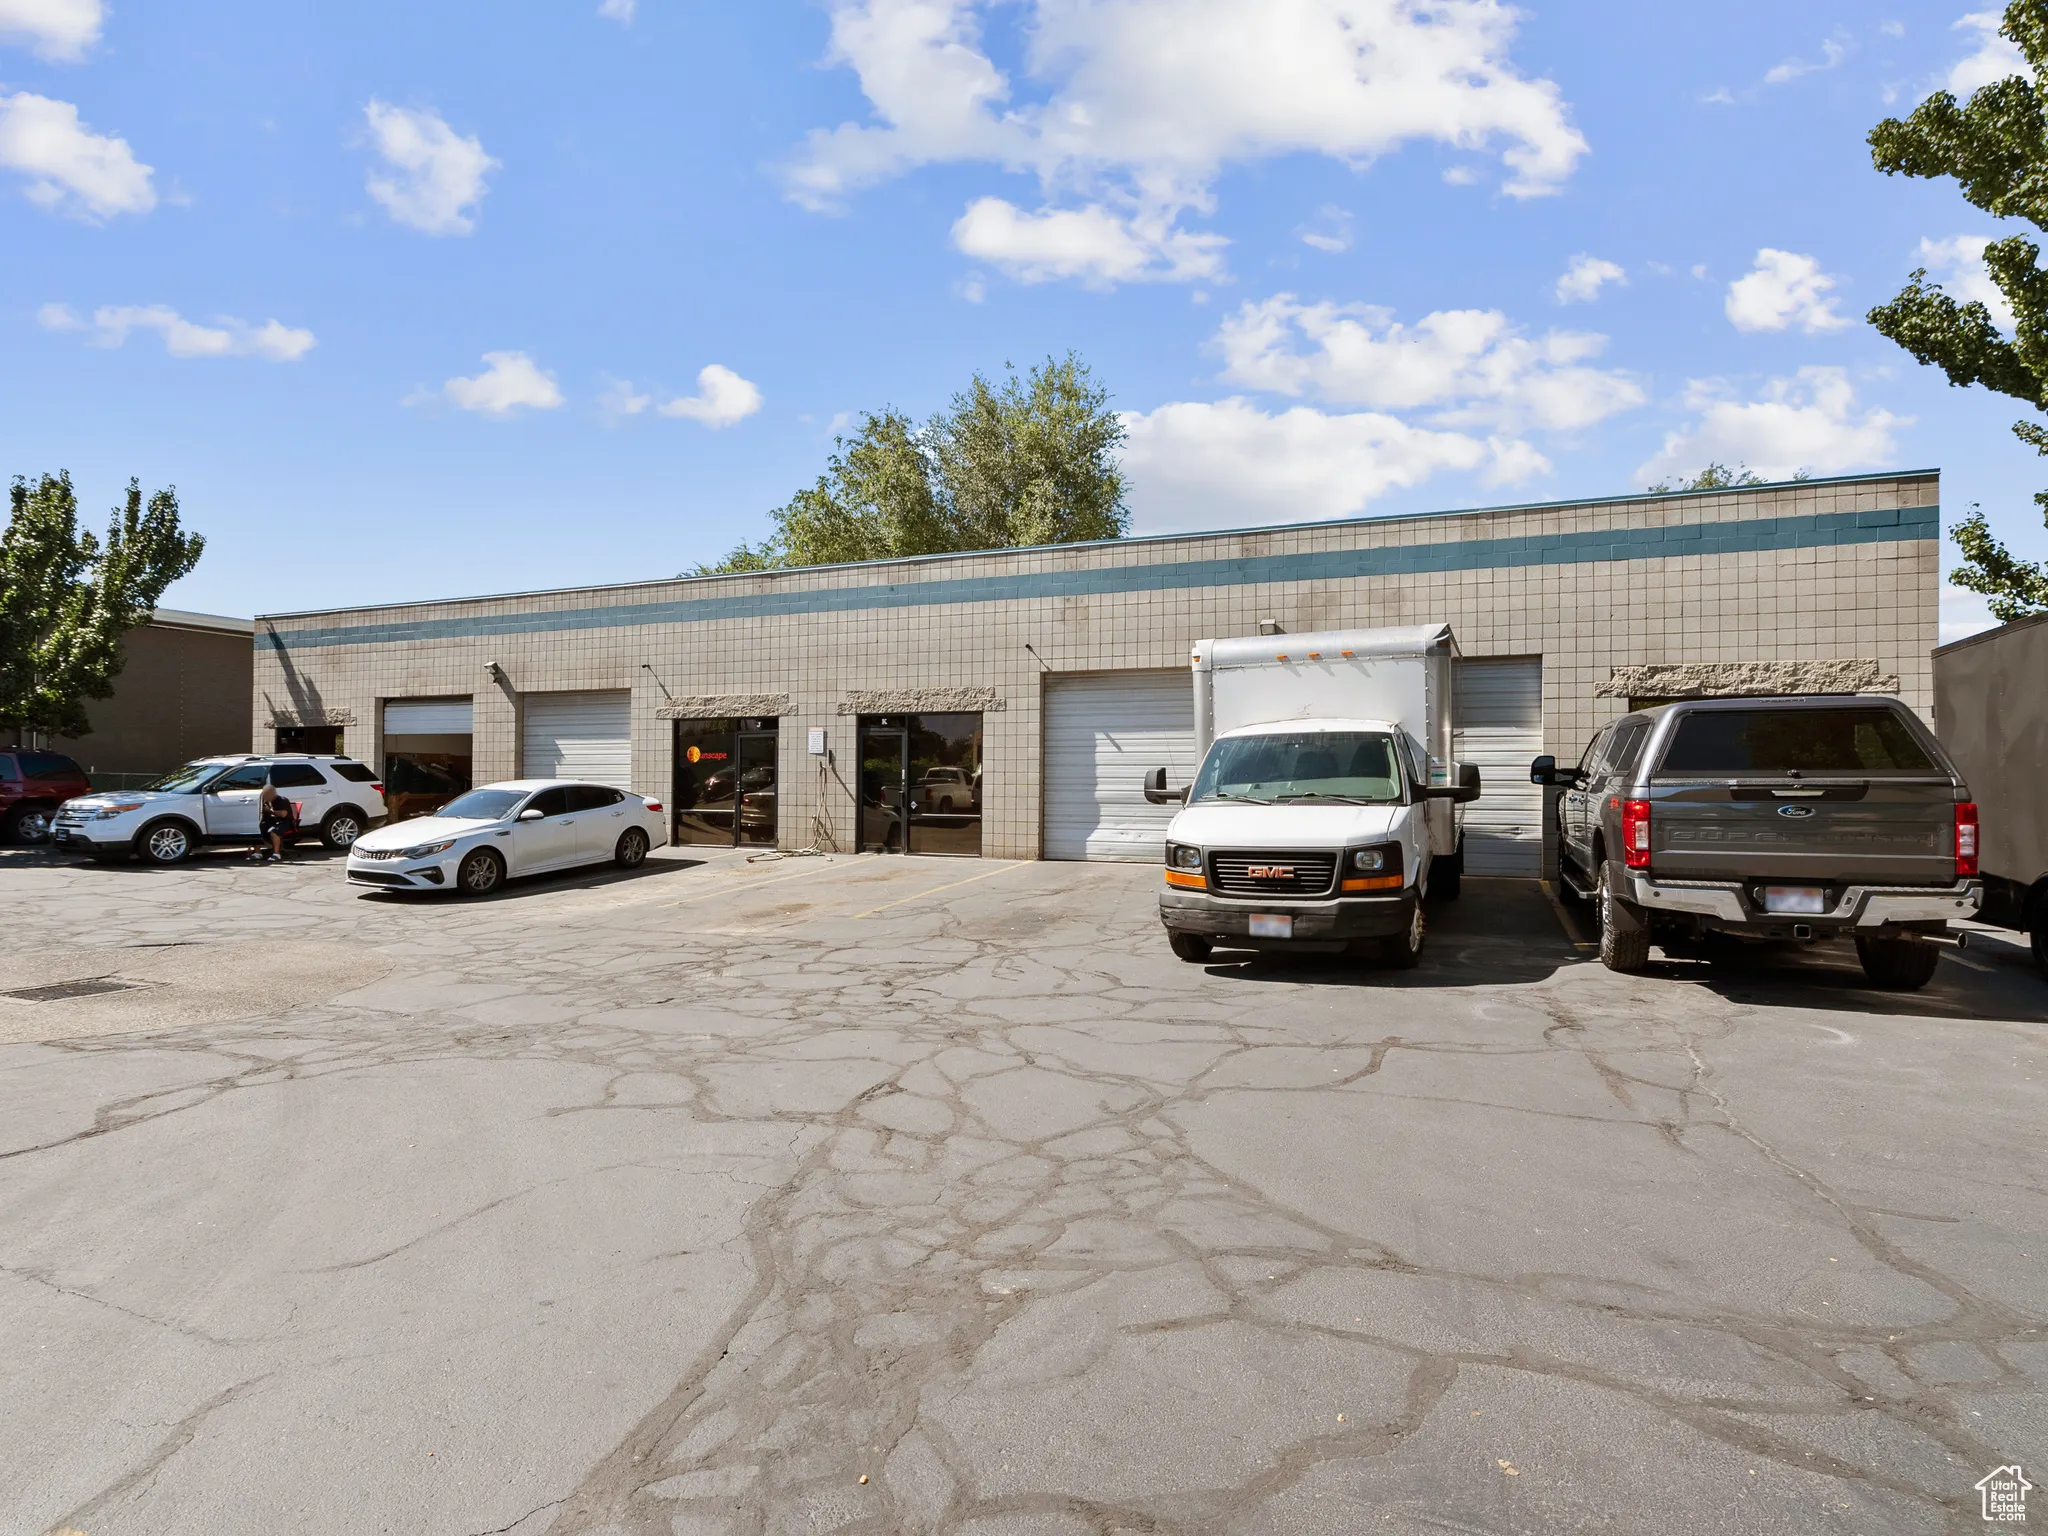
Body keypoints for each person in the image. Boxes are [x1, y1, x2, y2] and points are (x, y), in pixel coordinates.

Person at [254, 781, 298, 863]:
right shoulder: (267, 801)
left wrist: (269, 810)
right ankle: (257, 853)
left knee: (274, 831)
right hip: (273, 821)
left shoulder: (282, 800)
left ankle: (276, 854)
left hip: (285, 822)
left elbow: (283, 814)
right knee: (258, 827)